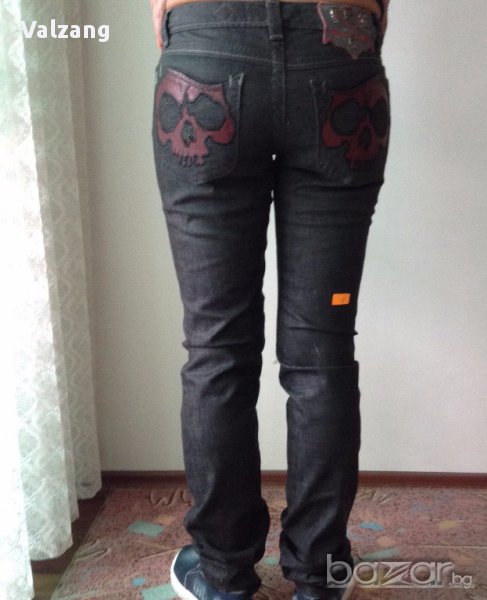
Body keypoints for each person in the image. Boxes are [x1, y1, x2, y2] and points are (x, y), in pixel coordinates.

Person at [150, 0, 390, 598]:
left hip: (205, 50)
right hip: (341, 49)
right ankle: (319, 574)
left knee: (216, 347)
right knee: (322, 352)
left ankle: (223, 575)